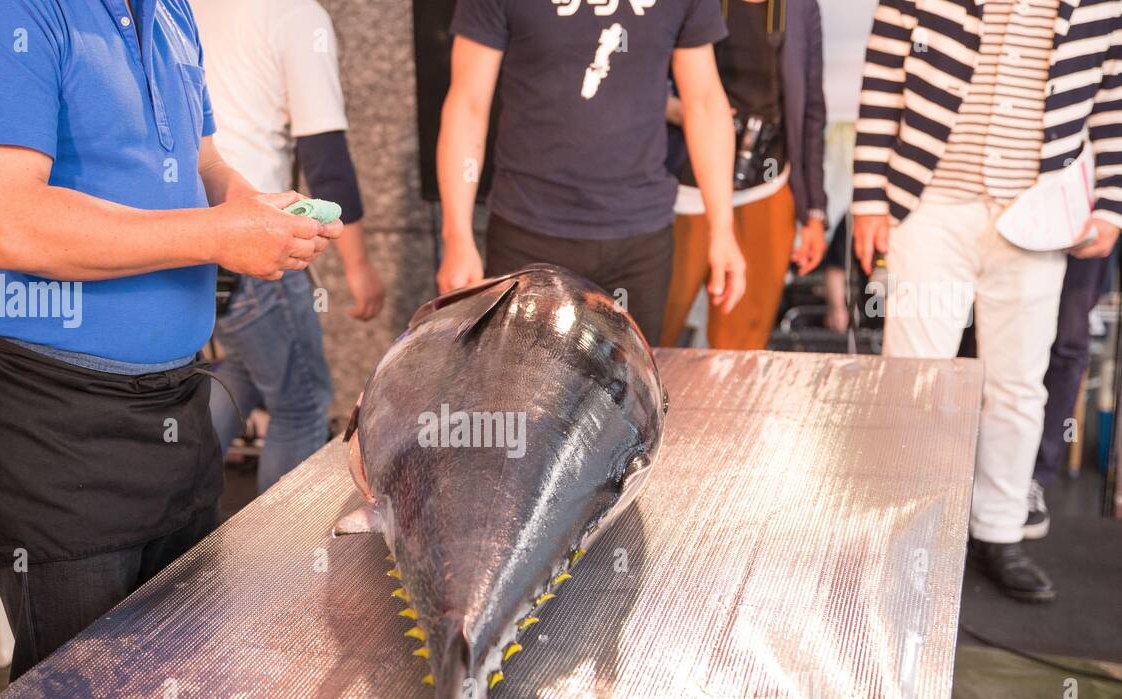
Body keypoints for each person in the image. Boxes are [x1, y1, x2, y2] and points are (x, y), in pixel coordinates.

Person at [0, 0, 341, 679]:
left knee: (181, 678)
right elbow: (13, 222)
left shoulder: (166, 8)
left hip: (170, 403)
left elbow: (203, 161)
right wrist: (220, 237)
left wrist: (251, 212)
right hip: (44, 416)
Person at [852, 0, 1122, 604]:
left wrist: (1111, 203)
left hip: (1038, 210)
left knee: (1018, 384)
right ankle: (907, 528)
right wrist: (869, 196)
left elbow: (1111, 100)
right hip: (930, 205)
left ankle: (998, 531)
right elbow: (881, 78)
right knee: (916, 379)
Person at [437, 0, 747, 343]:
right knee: (521, 387)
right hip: (529, 233)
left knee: (630, 389)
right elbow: (468, 105)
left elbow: (704, 101)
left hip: (640, 241)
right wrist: (457, 235)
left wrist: (722, 228)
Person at [191, 0, 385, 494]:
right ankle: (275, 562)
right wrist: (358, 267)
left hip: (197, 234)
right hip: (255, 241)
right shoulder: (298, 16)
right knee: (300, 402)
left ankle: (165, 499)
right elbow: (326, 159)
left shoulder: (186, 7)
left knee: (243, 372)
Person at [660, 0, 827, 350]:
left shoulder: (799, 7)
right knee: (651, 335)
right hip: (682, 191)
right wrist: (682, 111)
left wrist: (814, 211)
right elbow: (635, 77)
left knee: (742, 349)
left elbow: (811, 107)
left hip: (765, 187)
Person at [1025, 253, 1113, 538]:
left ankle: (1034, 476)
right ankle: (977, 473)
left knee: (1068, 345)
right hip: (1006, 219)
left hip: (1083, 226)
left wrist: (1111, 213)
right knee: (989, 340)